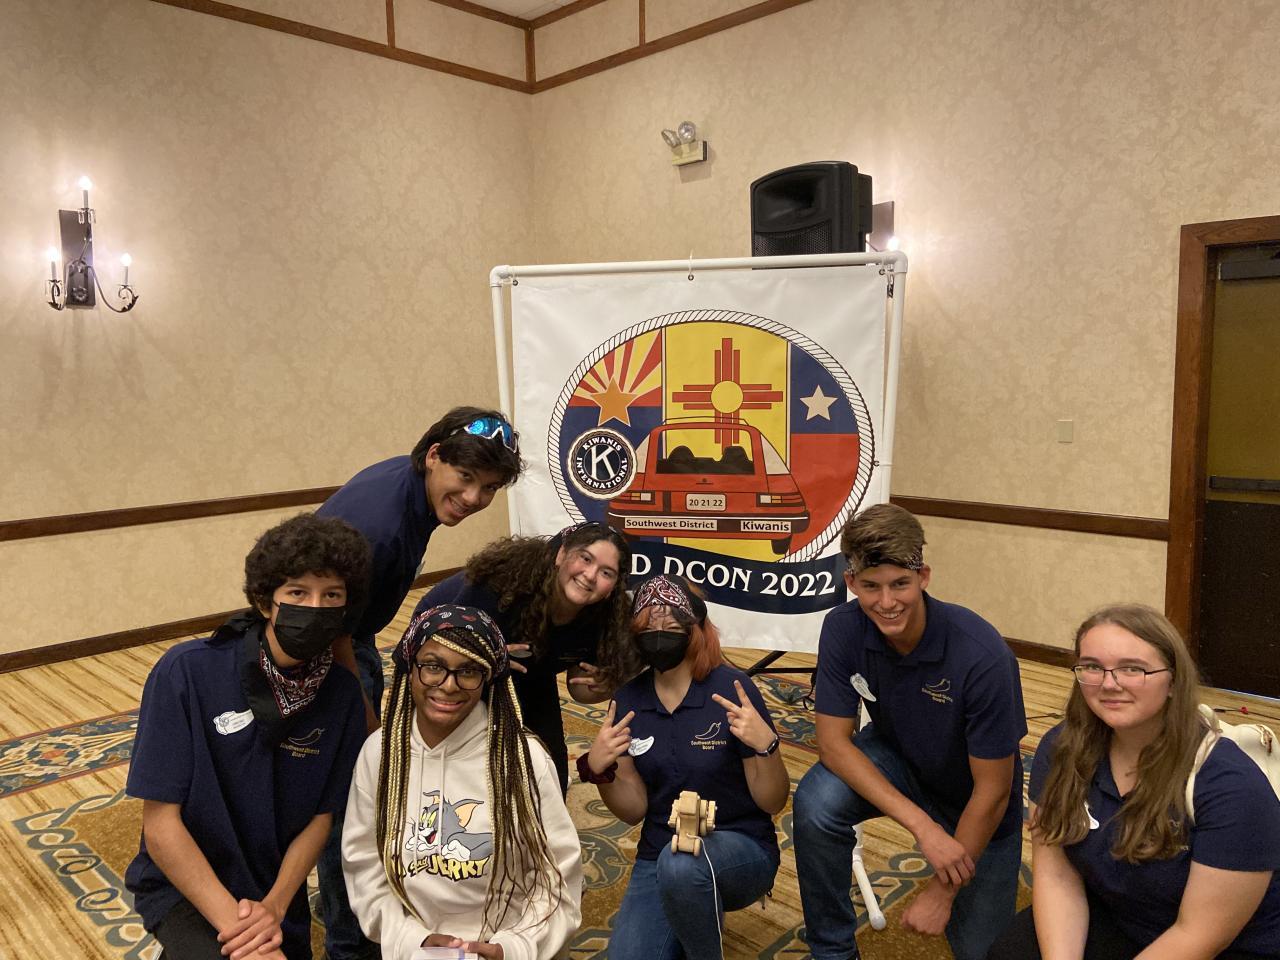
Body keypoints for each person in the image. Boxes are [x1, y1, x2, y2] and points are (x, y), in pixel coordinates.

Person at [316, 406, 522, 960]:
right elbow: (333, 630)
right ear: (435, 456)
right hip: (329, 647)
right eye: (466, 478)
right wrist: (366, 719)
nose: (474, 498)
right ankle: (351, 942)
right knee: (354, 793)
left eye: (489, 488)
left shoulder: (410, 481)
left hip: (349, 633)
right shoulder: (381, 529)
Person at [124, 513, 371, 960]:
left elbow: (322, 819)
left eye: (332, 595)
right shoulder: (187, 671)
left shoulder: (342, 695)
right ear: (264, 601)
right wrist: (239, 929)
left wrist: (274, 906)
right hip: (184, 885)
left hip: (274, 890)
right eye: (297, 593)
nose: (315, 607)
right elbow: (160, 827)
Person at [792, 503, 1026, 960]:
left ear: (923, 577)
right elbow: (833, 745)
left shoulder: (982, 655)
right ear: (851, 583)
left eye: (900, 583)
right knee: (816, 802)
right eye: (871, 586)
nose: (887, 602)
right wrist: (923, 827)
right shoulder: (842, 628)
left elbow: (994, 791)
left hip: (975, 798)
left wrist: (942, 890)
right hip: (900, 759)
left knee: (983, 951)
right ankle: (832, 952)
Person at [987, 604, 1280, 960]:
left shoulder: (1234, 789)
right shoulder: (1061, 748)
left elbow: (1197, 935)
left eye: (1133, 668)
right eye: (1093, 666)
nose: (1109, 684)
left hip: (1226, 945)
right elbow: (1057, 876)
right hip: (1126, 916)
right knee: (1011, 951)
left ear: (1173, 681)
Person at [342, 604, 583, 960]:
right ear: (410, 668)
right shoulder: (381, 753)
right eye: (433, 666)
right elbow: (364, 867)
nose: (449, 685)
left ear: (487, 678)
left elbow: (557, 879)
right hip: (415, 947)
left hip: (508, 943)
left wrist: (512, 947)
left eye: (468, 671)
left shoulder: (524, 759)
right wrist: (412, 940)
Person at [582, 574, 788, 960]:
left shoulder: (733, 690)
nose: (659, 632)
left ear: (697, 629)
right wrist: (601, 772)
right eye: (648, 624)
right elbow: (633, 810)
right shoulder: (628, 700)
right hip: (660, 850)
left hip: (741, 846)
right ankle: (695, 906)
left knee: (682, 864)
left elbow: (772, 801)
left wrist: (767, 746)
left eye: (672, 622)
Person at [415, 520, 637, 791]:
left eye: (606, 572)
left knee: (551, 768)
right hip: (453, 659)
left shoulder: (604, 617)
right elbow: (443, 649)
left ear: (613, 586)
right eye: (585, 558)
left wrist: (604, 683)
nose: (590, 575)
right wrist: (484, 659)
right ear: (561, 554)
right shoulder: (501, 585)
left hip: (531, 669)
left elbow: (579, 690)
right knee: (467, 763)